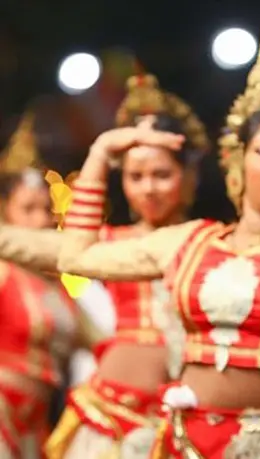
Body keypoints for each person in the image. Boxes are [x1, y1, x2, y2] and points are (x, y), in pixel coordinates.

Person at [52, 31, 260, 458]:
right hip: (187, 440)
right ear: (237, 161)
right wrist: (101, 153)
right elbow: (74, 257)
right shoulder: (192, 242)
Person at [0, 76, 209, 458]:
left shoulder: (208, 241)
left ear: (189, 175)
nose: (148, 188)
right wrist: (99, 155)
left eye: (161, 175)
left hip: (188, 413)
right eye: (134, 176)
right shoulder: (109, 243)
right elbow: (70, 253)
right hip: (108, 415)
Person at [0, 113, 102, 459]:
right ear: (4, 214)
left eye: (46, 209)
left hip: (38, 422)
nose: (41, 220)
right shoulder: (2, 272)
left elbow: (102, 342)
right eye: (27, 209)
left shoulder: (57, 286)